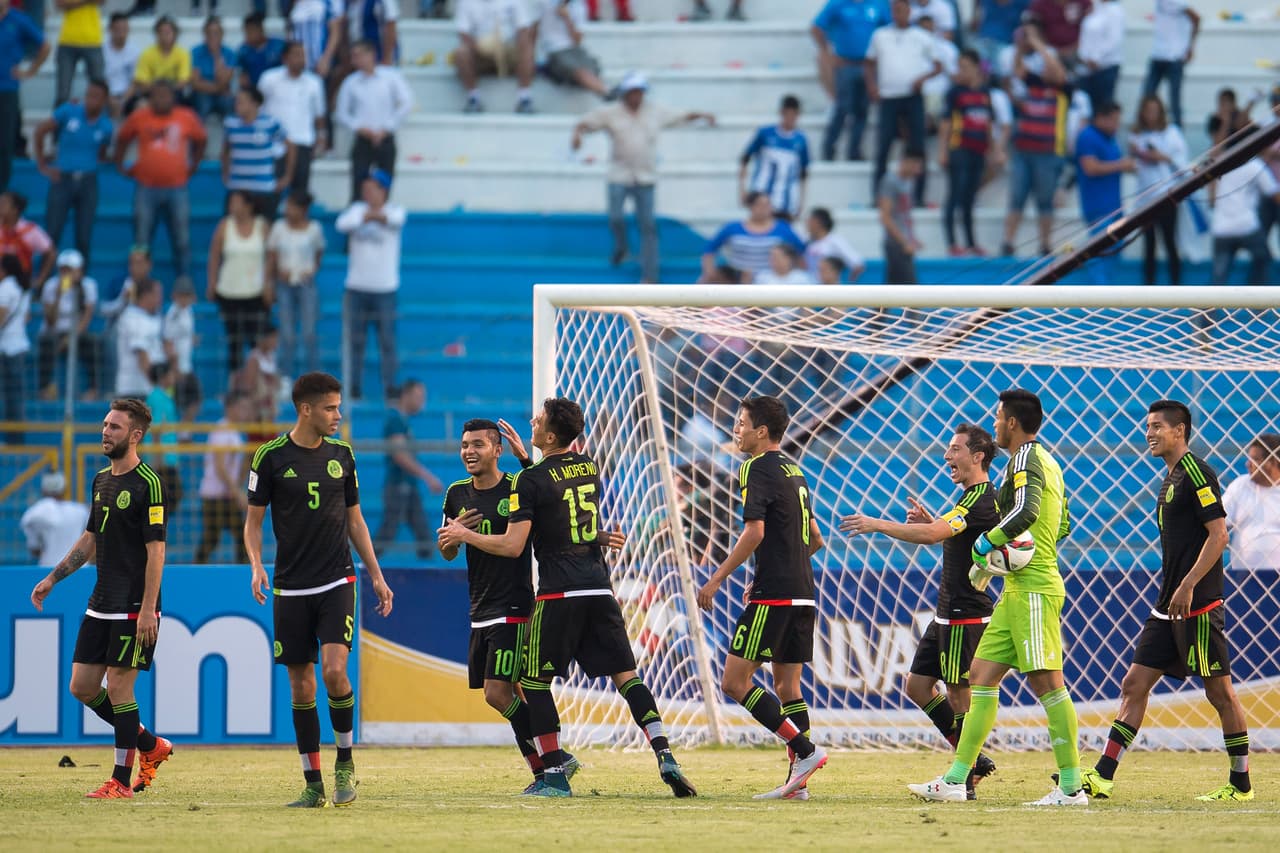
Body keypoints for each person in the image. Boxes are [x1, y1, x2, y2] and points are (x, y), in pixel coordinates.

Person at [438, 397, 696, 798]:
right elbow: (559, 506)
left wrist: (467, 534)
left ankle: (554, 773)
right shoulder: (588, 465)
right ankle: (665, 754)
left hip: (558, 591)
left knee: (532, 682)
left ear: (551, 434)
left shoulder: (528, 481)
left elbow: (514, 543)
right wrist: (532, 467)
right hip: (599, 585)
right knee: (627, 677)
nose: (532, 423)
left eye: (538, 420)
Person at [909, 388, 1085, 806]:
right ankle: (956, 779)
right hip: (1016, 590)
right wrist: (1016, 553)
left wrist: (988, 546)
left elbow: (1025, 513)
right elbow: (1065, 524)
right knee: (980, 678)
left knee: (1048, 686)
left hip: (1034, 590)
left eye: (997, 417)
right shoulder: (1046, 462)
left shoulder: (1025, 458)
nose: (993, 424)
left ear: (1011, 422)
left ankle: (1072, 786)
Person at [1074, 400, 1251, 802]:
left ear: (1180, 431)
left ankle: (1241, 783)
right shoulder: (1169, 477)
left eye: (1157, 426)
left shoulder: (1197, 472)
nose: (1149, 433)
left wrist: (1189, 585)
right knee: (1134, 684)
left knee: (1220, 694)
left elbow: (1219, 536)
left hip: (1198, 603)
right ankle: (1103, 775)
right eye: (1148, 426)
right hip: (1166, 604)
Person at [245, 371, 395, 808]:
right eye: (330, 408)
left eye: (339, 406)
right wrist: (256, 566)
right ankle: (312, 784)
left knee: (333, 671)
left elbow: (355, 519)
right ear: (305, 409)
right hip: (291, 586)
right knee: (302, 688)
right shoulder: (269, 456)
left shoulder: (343, 455)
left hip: (337, 578)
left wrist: (377, 574)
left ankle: (345, 761)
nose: (338, 415)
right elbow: (252, 524)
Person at [840, 423, 1001, 799]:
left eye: (955, 449)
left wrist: (877, 524)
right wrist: (932, 521)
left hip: (967, 612)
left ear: (977, 456)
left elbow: (934, 536)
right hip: (948, 610)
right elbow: (946, 533)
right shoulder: (969, 498)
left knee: (960, 692)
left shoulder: (980, 499)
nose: (947, 456)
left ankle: (963, 780)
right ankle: (973, 760)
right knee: (917, 685)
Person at [29, 398, 174, 799]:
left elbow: (157, 551)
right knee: (81, 686)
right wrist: (54, 577)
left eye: (114, 427)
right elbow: (90, 538)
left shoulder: (149, 483)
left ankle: (120, 782)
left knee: (119, 689)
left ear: (136, 435)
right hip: (101, 601)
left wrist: (148, 609)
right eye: (105, 424)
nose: (105, 431)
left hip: (133, 606)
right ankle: (150, 745)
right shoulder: (100, 480)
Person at [694, 396, 828, 800]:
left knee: (735, 681)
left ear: (761, 432)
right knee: (788, 688)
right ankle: (797, 783)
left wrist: (716, 578)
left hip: (776, 596)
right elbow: (817, 539)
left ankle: (805, 752)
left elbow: (755, 533)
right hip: (803, 592)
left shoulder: (754, 467)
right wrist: (777, 572)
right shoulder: (795, 469)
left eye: (740, 423)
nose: (736, 430)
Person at [439, 417, 571, 790]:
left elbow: (515, 548)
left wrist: (466, 534)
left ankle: (555, 761)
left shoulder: (517, 487)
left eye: (478, 445)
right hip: (479, 607)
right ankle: (546, 769)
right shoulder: (455, 493)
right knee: (509, 694)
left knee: (498, 693)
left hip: (514, 606)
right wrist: (452, 539)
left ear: (497, 450)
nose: (469, 451)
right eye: (465, 444)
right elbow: (447, 550)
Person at [572, 72, 716, 283]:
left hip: (645, 177)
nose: (637, 96)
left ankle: (650, 275)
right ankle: (621, 247)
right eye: (633, 92)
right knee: (616, 217)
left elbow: (680, 115)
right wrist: (577, 135)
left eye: (640, 92)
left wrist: (702, 115)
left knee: (648, 226)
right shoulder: (611, 113)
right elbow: (585, 123)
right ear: (625, 93)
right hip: (619, 175)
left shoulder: (654, 111)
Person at [114, 80, 208, 283]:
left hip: (177, 188)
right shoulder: (139, 117)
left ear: (173, 98)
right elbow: (122, 138)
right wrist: (120, 163)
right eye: (156, 95)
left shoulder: (186, 117)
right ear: (150, 98)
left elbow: (201, 140)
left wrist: (194, 164)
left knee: (182, 239)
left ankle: (184, 284)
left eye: (165, 95)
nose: (161, 100)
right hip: (146, 188)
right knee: (141, 240)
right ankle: (139, 285)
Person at [999, 18, 1067, 258]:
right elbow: (1016, 71)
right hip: (1023, 150)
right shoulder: (1030, 83)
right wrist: (1021, 44)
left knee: (1045, 202)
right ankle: (1008, 243)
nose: (1046, 69)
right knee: (1016, 199)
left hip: (1047, 152)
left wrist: (1038, 43)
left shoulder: (1061, 89)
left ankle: (1045, 244)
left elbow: (1057, 71)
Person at [336, 169, 403, 401]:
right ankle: (353, 387)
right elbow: (342, 225)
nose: (368, 193)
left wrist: (371, 217)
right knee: (356, 342)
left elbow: (395, 220)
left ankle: (390, 387)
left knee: (387, 342)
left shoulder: (394, 210)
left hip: (385, 288)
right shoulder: (356, 211)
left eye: (372, 188)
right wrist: (368, 216)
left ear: (383, 191)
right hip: (357, 287)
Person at [866, 0, 940, 204]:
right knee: (883, 147)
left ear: (909, 10)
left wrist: (921, 79)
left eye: (902, 9)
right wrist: (872, 86)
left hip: (912, 97)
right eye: (895, 9)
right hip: (889, 97)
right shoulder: (880, 35)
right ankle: (879, 197)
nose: (898, 13)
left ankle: (919, 196)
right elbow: (869, 63)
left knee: (917, 146)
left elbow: (938, 65)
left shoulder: (921, 36)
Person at [35, 78, 112, 267]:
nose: (91, 100)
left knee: (84, 236)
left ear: (104, 100)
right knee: (52, 233)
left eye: (96, 97)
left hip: (88, 181)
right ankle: (42, 284)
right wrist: (42, 165)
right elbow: (40, 130)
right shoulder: (69, 111)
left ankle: (81, 287)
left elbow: (102, 153)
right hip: (63, 179)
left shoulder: (106, 126)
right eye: (89, 95)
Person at [334, 40, 413, 202]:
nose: (357, 60)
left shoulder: (391, 77)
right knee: (358, 182)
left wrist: (386, 128)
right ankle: (356, 217)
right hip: (363, 138)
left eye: (360, 55)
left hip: (386, 137)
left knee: (385, 183)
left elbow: (406, 103)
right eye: (354, 56)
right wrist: (360, 128)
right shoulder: (351, 82)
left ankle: (383, 218)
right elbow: (342, 113)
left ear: (372, 55)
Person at [811, 0, 889, 163]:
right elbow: (817, 27)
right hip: (845, 65)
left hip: (868, 66)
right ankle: (829, 148)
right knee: (842, 107)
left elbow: (890, 27)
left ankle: (854, 151)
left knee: (862, 110)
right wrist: (826, 52)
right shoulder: (838, 3)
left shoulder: (879, 3)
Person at [939, 49, 998, 256]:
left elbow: (988, 123)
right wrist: (943, 151)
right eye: (959, 66)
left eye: (965, 66)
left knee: (969, 199)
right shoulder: (955, 92)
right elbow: (946, 123)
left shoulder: (984, 92)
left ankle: (971, 243)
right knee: (955, 196)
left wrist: (992, 151)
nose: (961, 71)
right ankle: (952, 243)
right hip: (959, 149)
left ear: (976, 67)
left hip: (978, 151)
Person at [375, 378, 443, 557]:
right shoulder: (395, 420)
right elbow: (399, 455)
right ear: (406, 395)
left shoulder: (403, 421)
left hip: (407, 485)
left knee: (424, 536)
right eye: (419, 396)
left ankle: (428, 579)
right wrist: (427, 477)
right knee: (387, 532)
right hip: (398, 486)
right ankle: (365, 569)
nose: (422, 402)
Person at [207, 190, 271, 373]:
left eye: (237, 202)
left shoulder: (262, 226)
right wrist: (212, 282)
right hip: (229, 291)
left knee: (257, 342)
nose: (232, 207)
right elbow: (214, 256)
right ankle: (235, 386)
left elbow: (270, 258)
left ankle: (258, 384)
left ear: (248, 205)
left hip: (256, 291)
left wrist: (268, 284)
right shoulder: (224, 226)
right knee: (234, 342)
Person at [1075, 101, 1133, 285]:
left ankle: (1106, 298)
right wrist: (1121, 165)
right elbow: (1090, 168)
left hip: (1114, 206)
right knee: (1099, 254)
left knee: (1114, 250)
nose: (1117, 125)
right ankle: (1097, 302)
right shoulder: (1088, 136)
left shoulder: (1110, 137)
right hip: (1097, 207)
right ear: (1101, 118)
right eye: (1114, 120)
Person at [1131, 95, 1187, 286]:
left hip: (1167, 196)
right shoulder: (1137, 135)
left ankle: (1176, 287)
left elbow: (1183, 164)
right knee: (1149, 245)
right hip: (1146, 198)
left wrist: (1160, 156)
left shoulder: (1172, 133)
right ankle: (1148, 289)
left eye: (1155, 110)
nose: (1151, 115)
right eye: (1148, 111)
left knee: (1170, 242)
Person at [268, 189, 325, 377]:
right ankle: (284, 378)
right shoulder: (278, 228)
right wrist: (274, 276)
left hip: (305, 284)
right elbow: (272, 257)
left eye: (292, 206)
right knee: (287, 335)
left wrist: (311, 270)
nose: (288, 209)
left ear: (303, 209)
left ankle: (314, 377)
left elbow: (318, 254)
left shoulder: (314, 229)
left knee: (309, 333)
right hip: (284, 285)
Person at [258, 42, 327, 195]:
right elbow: (259, 108)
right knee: (271, 189)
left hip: (302, 140)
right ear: (285, 58)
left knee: (300, 191)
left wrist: (321, 137)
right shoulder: (269, 79)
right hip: (276, 143)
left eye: (303, 55)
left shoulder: (314, 83)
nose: (301, 59)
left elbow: (319, 114)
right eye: (296, 55)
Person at [37, 248, 102, 399]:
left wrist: (71, 338)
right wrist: (58, 296)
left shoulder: (88, 285)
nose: (65, 273)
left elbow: (87, 317)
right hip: (54, 331)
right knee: (46, 342)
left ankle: (93, 389)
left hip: (77, 332)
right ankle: (45, 388)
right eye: (63, 269)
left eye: (69, 270)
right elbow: (50, 321)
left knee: (93, 344)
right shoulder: (50, 286)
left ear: (79, 270)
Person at [196, 391, 252, 564]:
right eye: (242, 407)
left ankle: (243, 573)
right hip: (215, 495)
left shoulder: (233, 432)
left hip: (225, 495)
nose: (245, 412)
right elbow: (220, 468)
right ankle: (196, 569)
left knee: (242, 536)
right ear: (230, 408)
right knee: (212, 538)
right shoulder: (222, 430)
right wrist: (238, 493)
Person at [701, 193, 806, 284]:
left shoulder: (782, 228)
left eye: (767, 205)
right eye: (760, 205)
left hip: (770, 282)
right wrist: (710, 273)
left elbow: (801, 252)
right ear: (750, 206)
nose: (764, 209)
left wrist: (792, 276)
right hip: (738, 281)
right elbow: (709, 250)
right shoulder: (733, 228)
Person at [0, 0, 49, 194]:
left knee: (4, 143)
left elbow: (45, 46)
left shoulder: (19, 20)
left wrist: (31, 70)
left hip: (7, 89)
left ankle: (1, 191)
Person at [222, 86, 294, 217]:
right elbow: (226, 149)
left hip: (263, 187)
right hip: (238, 187)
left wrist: (287, 177)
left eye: (241, 102)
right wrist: (225, 173)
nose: (237, 105)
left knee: (264, 228)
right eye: (236, 102)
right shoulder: (230, 123)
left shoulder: (270, 123)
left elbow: (291, 146)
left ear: (254, 103)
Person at [454, 0, 535, 113]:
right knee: (461, 53)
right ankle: (473, 98)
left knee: (527, 46)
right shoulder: (465, 2)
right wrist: (481, 47)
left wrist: (515, 45)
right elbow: (463, 33)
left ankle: (524, 98)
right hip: (480, 52)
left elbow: (523, 29)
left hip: (508, 50)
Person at [739, 95, 810, 221]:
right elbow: (745, 158)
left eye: (794, 115)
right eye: (787, 114)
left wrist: (801, 202)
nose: (790, 118)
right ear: (781, 113)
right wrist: (742, 190)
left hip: (785, 201)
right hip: (761, 193)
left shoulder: (801, 140)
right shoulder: (765, 133)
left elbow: (803, 173)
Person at [1210, 158, 1280, 286]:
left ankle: (1209, 304)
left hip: (1222, 227)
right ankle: (1258, 300)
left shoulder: (1220, 163)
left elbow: (1212, 202)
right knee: (1263, 259)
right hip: (1247, 226)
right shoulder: (1256, 166)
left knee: (1219, 275)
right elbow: (1274, 194)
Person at [1222, 434, 1280, 571]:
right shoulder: (1240, 486)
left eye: (1255, 459)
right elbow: (1218, 523)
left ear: (1273, 461)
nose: (1248, 464)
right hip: (1244, 578)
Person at [1144, 0, 1199, 130]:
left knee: (1174, 101)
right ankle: (1144, 132)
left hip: (1174, 57)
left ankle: (1178, 136)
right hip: (1158, 54)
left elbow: (1196, 18)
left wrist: (1190, 47)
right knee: (1147, 98)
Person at [537, 0, 609, 98]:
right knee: (576, 69)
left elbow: (577, 40)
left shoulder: (578, 5)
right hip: (552, 51)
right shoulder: (543, 3)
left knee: (589, 67)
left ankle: (605, 90)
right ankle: (606, 92)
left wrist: (567, 18)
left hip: (574, 50)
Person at [114, 277, 168, 399]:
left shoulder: (153, 317)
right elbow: (142, 355)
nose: (160, 299)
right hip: (134, 389)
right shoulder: (133, 318)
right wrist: (156, 388)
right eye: (157, 294)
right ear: (146, 296)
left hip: (147, 388)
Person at [22, 472, 90, 567]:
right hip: (79, 567)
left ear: (43, 490)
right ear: (64, 489)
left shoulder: (34, 512)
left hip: (49, 569)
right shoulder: (81, 510)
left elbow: (34, 549)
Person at [879, 148, 924, 284]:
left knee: (890, 290)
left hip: (903, 242)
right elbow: (885, 217)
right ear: (905, 162)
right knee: (911, 290)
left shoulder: (909, 182)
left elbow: (905, 215)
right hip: (895, 243)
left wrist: (912, 238)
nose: (918, 170)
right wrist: (905, 242)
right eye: (916, 165)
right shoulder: (890, 181)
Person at [0, 252, 32, 441]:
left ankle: (10, 438)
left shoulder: (5, 287)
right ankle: (17, 438)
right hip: (19, 345)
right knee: (17, 397)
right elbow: (26, 317)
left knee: (7, 397)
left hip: (6, 347)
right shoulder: (24, 288)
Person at [54, 0, 104, 107]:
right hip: (68, 40)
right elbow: (59, 4)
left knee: (99, 90)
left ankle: (99, 122)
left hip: (92, 40)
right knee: (63, 93)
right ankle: (59, 122)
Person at [1074, 0, 1122, 113]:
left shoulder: (1115, 10)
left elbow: (1114, 40)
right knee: (1085, 108)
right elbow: (1085, 35)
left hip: (1105, 67)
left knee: (1103, 110)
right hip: (1085, 68)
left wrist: (1095, 58)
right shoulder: (1093, 8)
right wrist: (1083, 57)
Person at [131, 16, 191, 104]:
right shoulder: (147, 53)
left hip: (174, 93)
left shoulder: (183, 53)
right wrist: (159, 91)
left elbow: (183, 82)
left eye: (168, 32)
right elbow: (142, 82)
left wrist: (166, 91)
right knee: (140, 104)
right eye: (161, 32)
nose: (164, 36)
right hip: (151, 93)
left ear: (175, 34)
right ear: (156, 34)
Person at [0, 190, 55, 284]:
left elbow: (51, 253)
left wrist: (40, 280)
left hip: (21, 284)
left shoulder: (31, 230)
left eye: (3, 203)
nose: (0, 206)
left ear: (15, 210)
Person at [190, 15, 236, 122]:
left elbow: (224, 82)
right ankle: (199, 135)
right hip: (202, 93)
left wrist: (217, 56)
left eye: (216, 33)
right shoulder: (195, 52)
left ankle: (231, 134)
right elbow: (195, 83)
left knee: (229, 101)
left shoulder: (229, 53)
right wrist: (218, 88)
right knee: (202, 101)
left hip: (221, 94)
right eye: (209, 33)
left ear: (222, 34)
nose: (212, 36)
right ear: (204, 34)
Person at [803, 206, 865, 281]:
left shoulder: (835, 240)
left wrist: (850, 281)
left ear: (819, 222)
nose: (807, 224)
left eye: (810, 221)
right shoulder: (808, 242)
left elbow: (858, 263)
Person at [289, 0, 343, 76]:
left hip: (319, 59)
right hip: (299, 61)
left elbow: (335, 33)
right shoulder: (295, 3)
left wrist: (326, 59)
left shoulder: (326, 3)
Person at [1027, 0, 1089, 65]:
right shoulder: (1039, 4)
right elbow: (1031, 33)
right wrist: (1048, 50)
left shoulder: (1082, 2)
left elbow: (1094, 26)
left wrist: (1076, 47)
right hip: (1051, 53)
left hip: (1081, 50)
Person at [969, 0, 1030, 66]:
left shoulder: (1021, 2)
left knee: (1005, 59)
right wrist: (975, 16)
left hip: (1006, 45)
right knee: (972, 57)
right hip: (983, 41)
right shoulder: (987, 2)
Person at [163, 276, 196, 392]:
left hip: (186, 365)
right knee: (174, 400)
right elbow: (168, 341)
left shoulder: (188, 311)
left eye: (187, 296)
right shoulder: (173, 314)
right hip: (176, 368)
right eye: (182, 296)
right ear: (175, 296)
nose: (184, 299)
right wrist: (175, 368)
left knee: (193, 400)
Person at [236, 11, 285, 88]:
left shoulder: (279, 45)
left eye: (250, 31)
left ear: (261, 29)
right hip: (255, 93)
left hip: (278, 88)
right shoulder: (243, 51)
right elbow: (242, 76)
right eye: (246, 32)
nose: (248, 35)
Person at [102, 13, 138, 116]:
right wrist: (110, 98)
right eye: (118, 28)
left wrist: (122, 101)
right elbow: (100, 79)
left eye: (124, 28)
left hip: (127, 95)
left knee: (141, 106)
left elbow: (135, 82)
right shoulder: (101, 51)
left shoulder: (134, 52)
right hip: (106, 95)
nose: (121, 32)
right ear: (110, 29)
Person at [347, 0, 400, 66]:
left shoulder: (383, 1)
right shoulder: (353, 3)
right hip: (361, 55)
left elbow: (390, 25)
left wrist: (387, 57)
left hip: (379, 54)